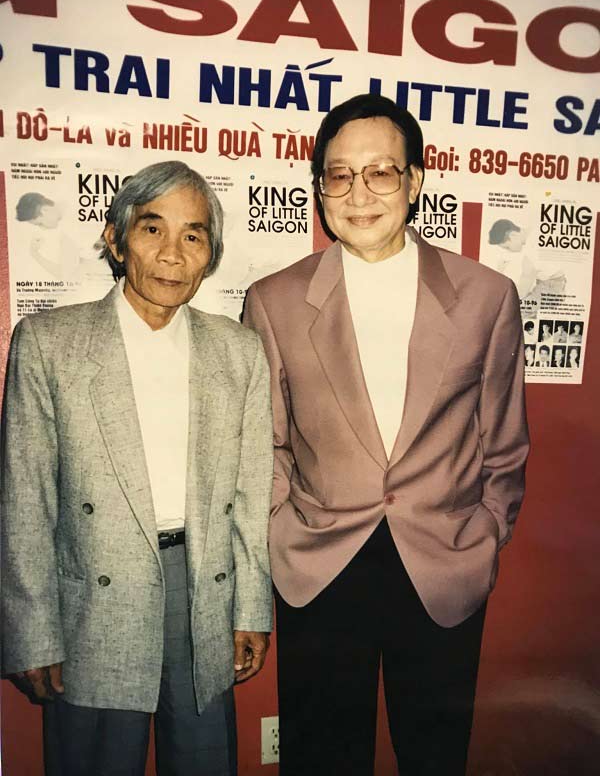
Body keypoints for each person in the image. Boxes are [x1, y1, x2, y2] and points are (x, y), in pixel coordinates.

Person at [243, 94, 529, 776]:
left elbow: (505, 441)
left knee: (435, 757)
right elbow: (264, 445)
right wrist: (281, 526)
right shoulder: (273, 301)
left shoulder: (487, 296)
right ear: (319, 189)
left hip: (443, 563)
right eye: (339, 175)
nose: (359, 193)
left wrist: (485, 532)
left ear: (415, 181)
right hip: (320, 566)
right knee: (321, 759)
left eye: (381, 172)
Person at [1, 161, 273, 776]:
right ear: (116, 239)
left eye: (193, 235)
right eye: (153, 229)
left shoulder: (239, 351)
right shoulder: (49, 343)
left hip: (203, 588)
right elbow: (25, 502)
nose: (173, 253)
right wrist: (32, 633)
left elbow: (251, 495)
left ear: (211, 255)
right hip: (95, 596)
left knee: (205, 761)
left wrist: (252, 610)